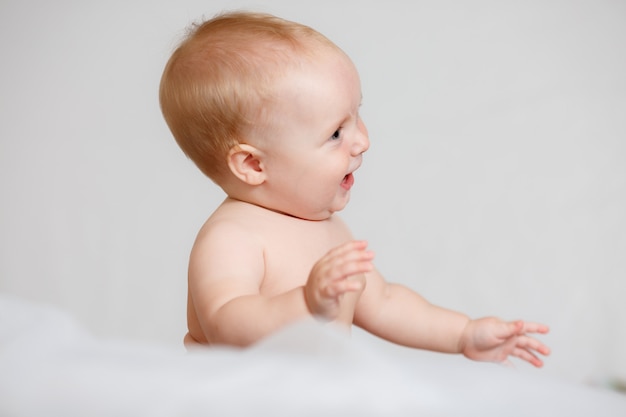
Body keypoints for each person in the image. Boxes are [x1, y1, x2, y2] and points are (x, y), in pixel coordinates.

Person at [159, 11, 550, 367]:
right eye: (335, 133)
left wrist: (463, 333)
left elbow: (384, 301)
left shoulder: (328, 230)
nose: (362, 140)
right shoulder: (233, 237)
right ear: (253, 165)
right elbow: (227, 324)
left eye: (357, 116)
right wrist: (306, 303)